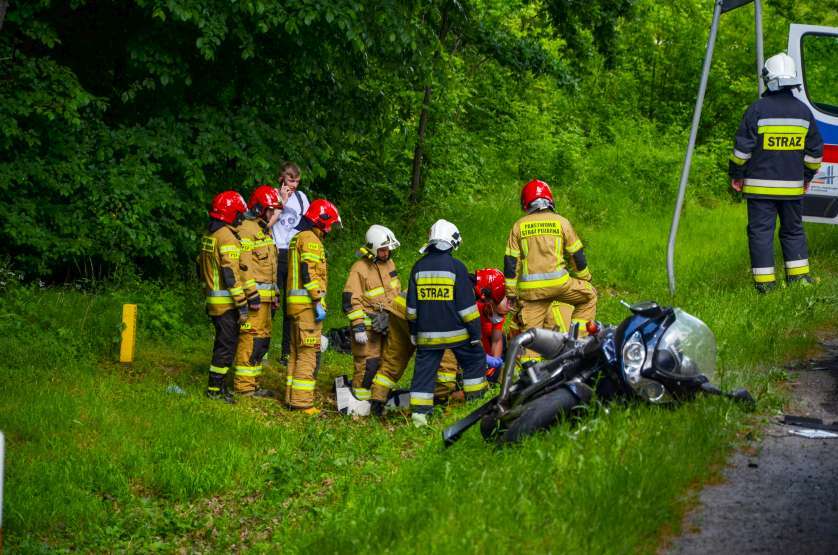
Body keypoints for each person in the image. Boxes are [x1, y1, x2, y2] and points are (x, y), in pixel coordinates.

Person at [728, 52, 824, 293]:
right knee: (793, 232)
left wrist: (737, 175)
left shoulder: (757, 109)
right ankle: (799, 280)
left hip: (759, 189)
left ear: (768, 78)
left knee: (761, 234)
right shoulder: (804, 112)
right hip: (792, 188)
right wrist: (806, 177)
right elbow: (815, 153)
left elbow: (742, 150)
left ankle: (765, 286)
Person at [406, 219, 487, 427]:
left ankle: (419, 416)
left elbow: (412, 309)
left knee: (424, 372)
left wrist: (414, 332)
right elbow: (467, 309)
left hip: (426, 334)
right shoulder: (457, 267)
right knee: (475, 359)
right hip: (458, 334)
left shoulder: (418, 267)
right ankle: (475, 403)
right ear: (452, 241)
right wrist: (476, 335)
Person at [504, 179, 597, 355]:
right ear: (549, 200)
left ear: (526, 203)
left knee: (531, 337)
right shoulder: (561, 222)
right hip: (560, 285)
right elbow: (577, 254)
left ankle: (530, 371)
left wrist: (511, 293)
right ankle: (578, 341)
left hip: (531, 293)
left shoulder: (518, 226)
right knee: (589, 295)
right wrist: (585, 279)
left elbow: (510, 262)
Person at [198, 191, 256, 403]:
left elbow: (200, 268)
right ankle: (215, 390)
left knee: (223, 344)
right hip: (225, 304)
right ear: (230, 214)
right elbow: (230, 274)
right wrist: (242, 304)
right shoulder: (227, 237)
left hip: (213, 300)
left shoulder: (210, 235)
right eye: (238, 215)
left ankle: (219, 387)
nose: (241, 219)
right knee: (226, 346)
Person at [285, 198, 341, 414]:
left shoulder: (297, 238)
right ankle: (302, 402)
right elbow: (309, 273)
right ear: (322, 220)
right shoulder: (311, 240)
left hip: (296, 307)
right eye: (330, 224)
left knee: (295, 353)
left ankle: (291, 398)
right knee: (308, 353)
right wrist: (317, 299)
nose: (330, 229)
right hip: (307, 306)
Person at [367, 289, 460, 416]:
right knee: (446, 367)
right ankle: (437, 405)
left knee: (394, 359)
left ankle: (377, 401)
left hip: (400, 305)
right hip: (426, 314)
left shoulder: (456, 281)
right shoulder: (468, 298)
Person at [342, 225, 401, 401]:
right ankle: (360, 400)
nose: (386, 253)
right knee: (368, 363)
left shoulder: (389, 264)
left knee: (385, 362)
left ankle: (377, 398)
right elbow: (351, 299)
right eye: (382, 250)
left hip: (386, 324)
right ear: (373, 249)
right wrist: (358, 326)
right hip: (367, 327)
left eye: (388, 249)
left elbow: (395, 292)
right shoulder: (360, 268)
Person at [232, 185, 281, 397]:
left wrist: (275, 292)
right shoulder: (246, 230)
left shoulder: (264, 230)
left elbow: (270, 266)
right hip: (255, 300)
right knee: (249, 339)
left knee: (261, 341)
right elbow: (244, 267)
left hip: (266, 301)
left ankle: (253, 384)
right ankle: (243, 387)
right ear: (260, 207)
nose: (273, 213)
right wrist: (251, 294)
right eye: (270, 209)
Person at [270, 162, 311, 363]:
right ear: (281, 178)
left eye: (296, 180)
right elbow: (264, 221)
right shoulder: (272, 195)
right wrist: (282, 201)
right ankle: (262, 350)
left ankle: (286, 353)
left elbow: (307, 221)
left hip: (293, 253)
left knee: (290, 305)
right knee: (271, 303)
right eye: (290, 179)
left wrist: (296, 237)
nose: (293, 184)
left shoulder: (302, 198)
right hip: (274, 253)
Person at [472, 268, 512, 382]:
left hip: (485, 355)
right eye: (499, 313)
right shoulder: (474, 306)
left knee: (503, 339)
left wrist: (494, 364)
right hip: (471, 353)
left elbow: (497, 340)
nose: (499, 317)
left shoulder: (498, 314)